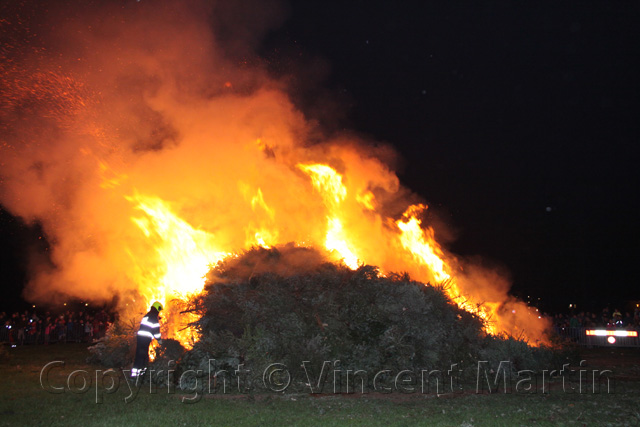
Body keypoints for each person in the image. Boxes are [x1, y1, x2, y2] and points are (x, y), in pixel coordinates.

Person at [131, 301, 163, 379]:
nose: (159, 312)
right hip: (145, 339)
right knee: (143, 355)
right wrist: (159, 340)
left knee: (140, 355)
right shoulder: (153, 317)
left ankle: (137, 373)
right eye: (159, 310)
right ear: (157, 308)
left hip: (140, 338)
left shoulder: (147, 315)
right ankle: (139, 374)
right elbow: (156, 330)